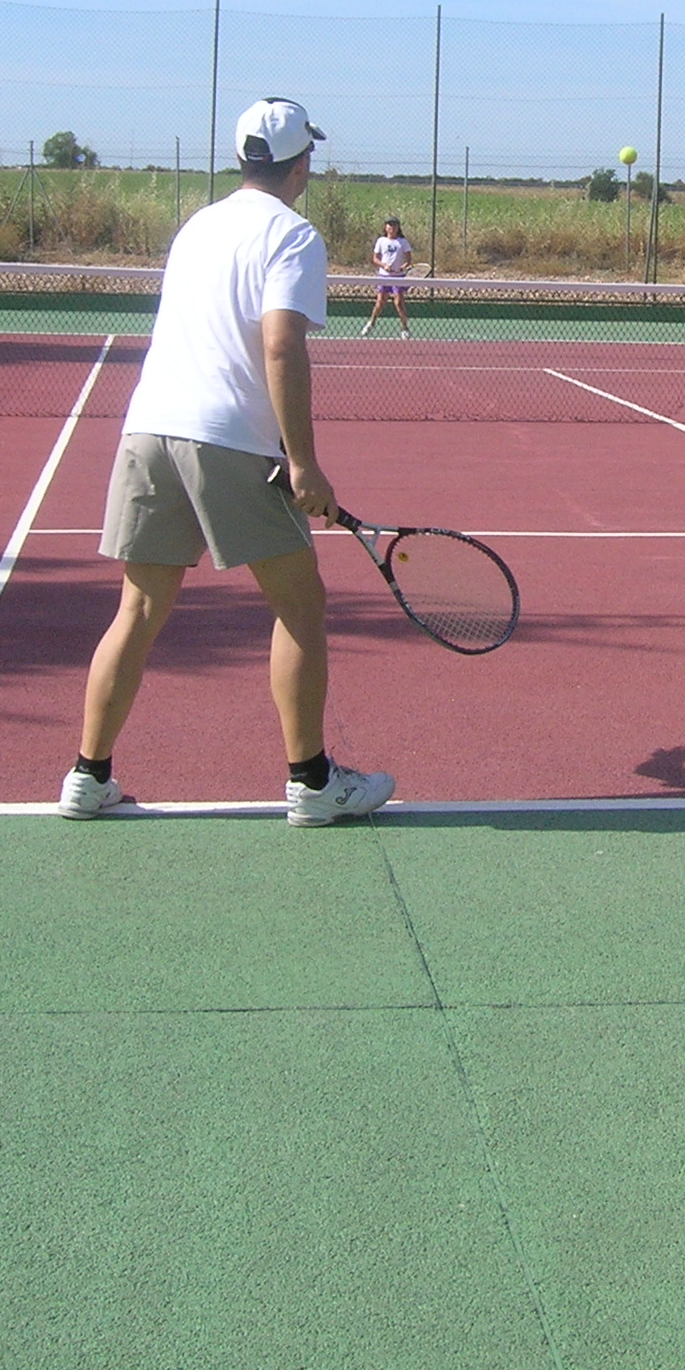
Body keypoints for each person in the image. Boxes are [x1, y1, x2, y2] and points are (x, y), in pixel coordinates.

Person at [63, 96, 395, 825]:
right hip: (228, 439)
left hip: (148, 429)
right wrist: (303, 463)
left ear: (244, 159)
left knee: (137, 609)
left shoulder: (198, 226)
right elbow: (281, 345)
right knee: (300, 605)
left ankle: (88, 777)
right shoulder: (294, 234)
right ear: (302, 164)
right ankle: (313, 784)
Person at [362, 217, 413, 337]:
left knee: (399, 303)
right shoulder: (381, 241)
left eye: (395, 225)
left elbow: (409, 259)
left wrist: (403, 267)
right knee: (380, 302)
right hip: (384, 276)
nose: (392, 228)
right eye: (390, 225)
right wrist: (384, 266)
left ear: (398, 228)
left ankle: (405, 328)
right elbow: (375, 259)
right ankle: (371, 323)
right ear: (385, 227)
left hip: (398, 277)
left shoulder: (403, 242)